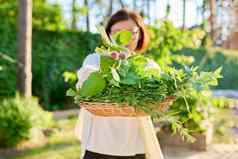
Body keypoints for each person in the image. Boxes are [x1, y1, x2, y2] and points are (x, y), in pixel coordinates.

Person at [75, 8, 163, 159]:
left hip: (135, 145)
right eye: (117, 31)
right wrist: (108, 65)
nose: (125, 37)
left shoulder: (148, 66)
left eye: (131, 31)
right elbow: (83, 84)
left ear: (140, 33)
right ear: (108, 35)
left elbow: (156, 98)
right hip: (98, 144)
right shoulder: (95, 60)